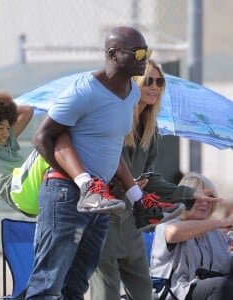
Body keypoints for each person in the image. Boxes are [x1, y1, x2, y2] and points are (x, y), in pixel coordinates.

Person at [24, 26, 152, 300]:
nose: (144, 58)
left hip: (100, 201)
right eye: (138, 52)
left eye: (146, 52)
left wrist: (125, 189)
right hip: (65, 195)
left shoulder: (131, 93)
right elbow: (42, 137)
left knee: (77, 286)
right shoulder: (84, 90)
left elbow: (109, 147)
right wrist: (83, 184)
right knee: (47, 285)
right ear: (112, 54)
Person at [90, 60, 221, 300]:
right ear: (133, 84)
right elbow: (100, 169)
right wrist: (124, 185)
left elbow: (150, 179)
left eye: (159, 81)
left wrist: (192, 194)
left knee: (143, 292)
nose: (155, 87)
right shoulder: (113, 122)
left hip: (131, 220)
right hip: (104, 217)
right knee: (106, 292)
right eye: (148, 81)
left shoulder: (151, 132)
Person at [150, 172, 233, 300]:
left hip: (207, 290)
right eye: (198, 197)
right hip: (173, 292)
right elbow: (173, 232)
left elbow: (226, 266)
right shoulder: (168, 223)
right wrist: (222, 222)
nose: (205, 202)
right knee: (220, 286)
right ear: (183, 199)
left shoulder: (214, 233)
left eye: (209, 197)